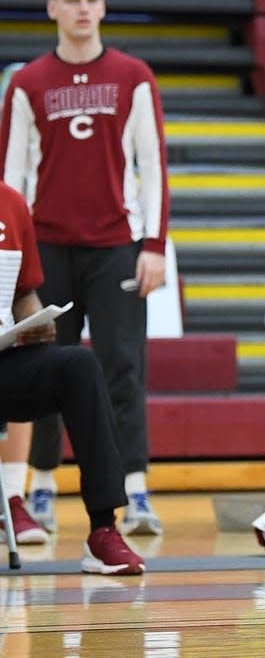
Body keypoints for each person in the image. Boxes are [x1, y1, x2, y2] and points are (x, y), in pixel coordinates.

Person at [0, 0, 168, 535]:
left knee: (123, 367)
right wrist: (16, 258)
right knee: (46, 364)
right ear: (52, 8)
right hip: (46, 247)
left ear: (102, 8)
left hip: (117, 245)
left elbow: (154, 166)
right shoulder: (26, 83)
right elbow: (10, 177)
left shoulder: (133, 76)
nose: (80, 8)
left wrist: (155, 245)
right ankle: (41, 487)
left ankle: (137, 491)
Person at [0, 179, 145, 573]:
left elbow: (24, 295)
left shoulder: (11, 204)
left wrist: (36, 323)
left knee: (79, 367)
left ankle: (103, 530)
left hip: (3, 359)